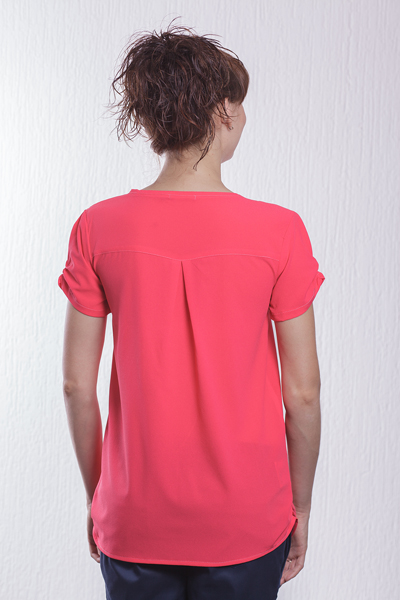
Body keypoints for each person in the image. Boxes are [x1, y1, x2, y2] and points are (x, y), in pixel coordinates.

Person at [58, 19, 325, 600]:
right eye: (240, 104)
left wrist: (99, 495)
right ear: (223, 110)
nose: (244, 118)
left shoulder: (96, 227)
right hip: (247, 521)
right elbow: (302, 394)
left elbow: (77, 386)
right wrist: (300, 508)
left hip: (134, 518)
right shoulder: (280, 231)